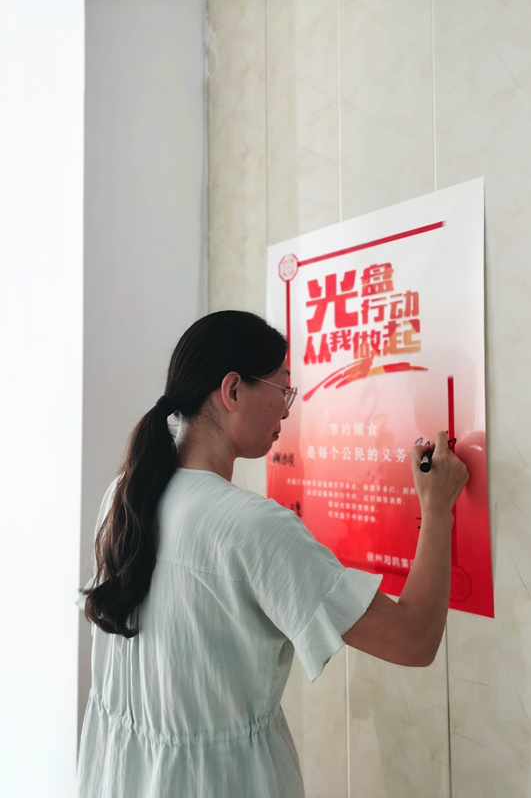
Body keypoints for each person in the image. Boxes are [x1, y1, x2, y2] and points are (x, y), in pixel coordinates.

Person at [77, 310, 469, 798]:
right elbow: (414, 640)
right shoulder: (254, 528)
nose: (287, 409)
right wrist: (436, 507)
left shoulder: (124, 494)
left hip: (118, 778)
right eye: (283, 388)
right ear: (233, 390)